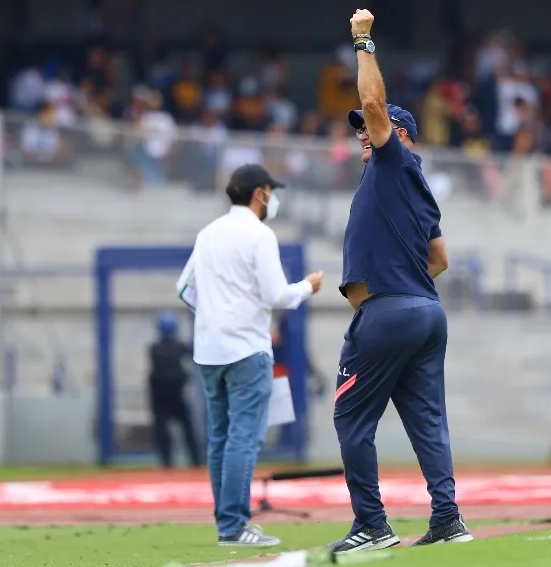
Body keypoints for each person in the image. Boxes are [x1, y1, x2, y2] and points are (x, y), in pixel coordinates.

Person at [327, 9, 472, 555]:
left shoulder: (392, 163)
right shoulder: (414, 187)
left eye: (370, 129)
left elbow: (370, 103)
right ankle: (448, 518)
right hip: (425, 312)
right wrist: (405, 282)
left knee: (350, 418)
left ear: (395, 132)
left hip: (388, 313)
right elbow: (440, 258)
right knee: (427, 422)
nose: (363, 133)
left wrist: (363, 40)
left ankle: (372, 524)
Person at [179, 163, 324, 547]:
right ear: (260, 193)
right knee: (244, 437)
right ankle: (233, 525)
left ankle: (227, 521)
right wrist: (308, 287)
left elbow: (184, 288)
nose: (272, 199)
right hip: (246, 348)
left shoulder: (208, 233)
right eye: (270, 192)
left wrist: (215, 315)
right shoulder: (259, 235)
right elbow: (277, 295)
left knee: (221, 438)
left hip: (209, 350)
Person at [147, 310, 201, 469]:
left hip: (163, 398)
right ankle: (194, 461)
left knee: (165, 431)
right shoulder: (175, 347)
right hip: (173, 397)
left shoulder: (155, 348)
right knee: (184, 429)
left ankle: (167, 462)